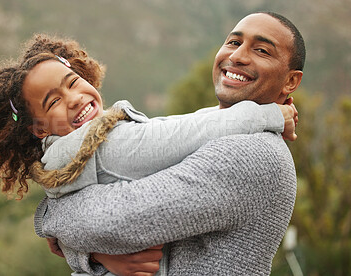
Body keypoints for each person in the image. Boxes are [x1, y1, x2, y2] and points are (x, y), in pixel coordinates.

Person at [0, 30, 297, 274]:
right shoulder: (102, 143)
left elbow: (180, 127)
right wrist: (270, 115)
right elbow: (176, 135)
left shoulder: (63, 153)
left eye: (73, 82)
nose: (73, 98)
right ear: (38, 128)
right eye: (54, 101)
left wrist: (76, 246)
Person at [41, 11, 305, 276]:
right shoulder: (207, 126)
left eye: (261, 50)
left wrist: (50, 217)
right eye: (234, 42)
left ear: (291, 81)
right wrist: (89, 255)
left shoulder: (252, 153)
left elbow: (115, 222)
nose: (237, 56)